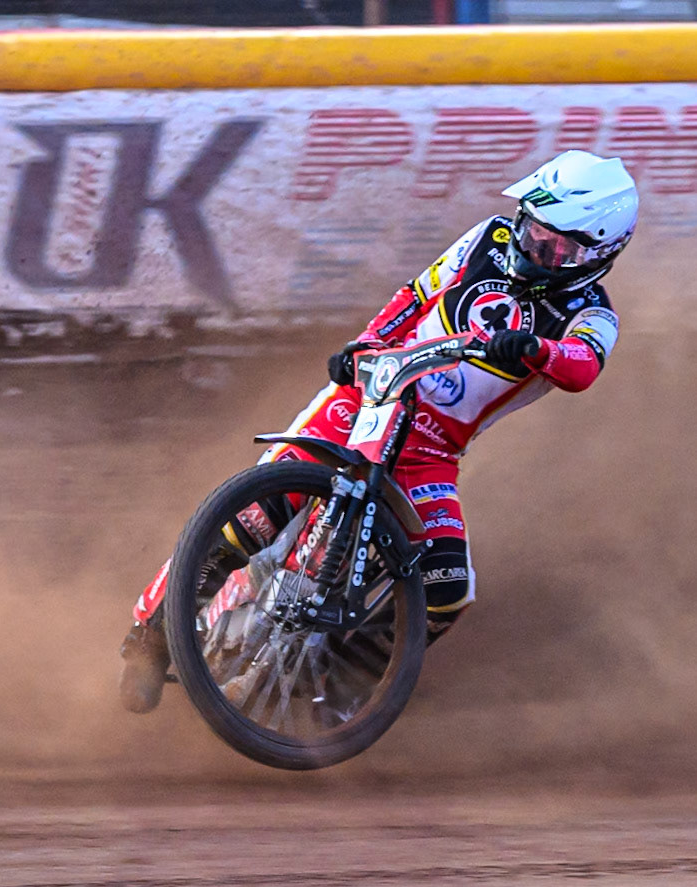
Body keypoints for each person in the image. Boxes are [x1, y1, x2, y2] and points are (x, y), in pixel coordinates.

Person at [119, 150, 636, 714]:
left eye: (556, 246)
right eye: (532, 229)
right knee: (253, 516)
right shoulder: (489, 237)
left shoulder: (594, 315)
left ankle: (340, 693)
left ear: (598, 253)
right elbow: (417, 293)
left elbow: (583, 367)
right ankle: (151, 639)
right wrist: (366, 344)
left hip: (431, 453)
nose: (535, 248)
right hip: (368, 400)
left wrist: (537, 349)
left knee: (446, 591)